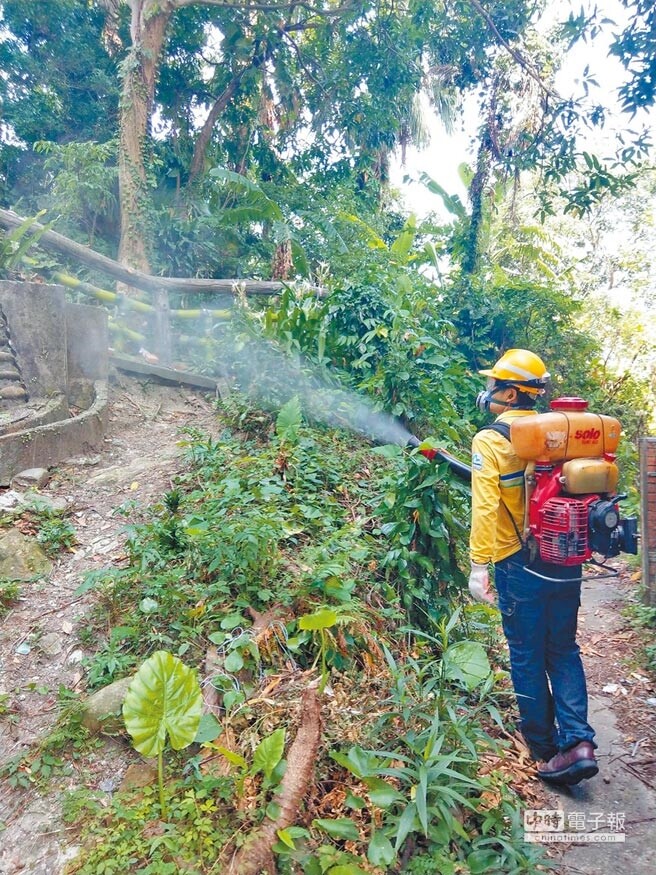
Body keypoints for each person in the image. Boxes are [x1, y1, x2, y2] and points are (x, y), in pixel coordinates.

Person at [468, 348, 598, 786]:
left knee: (525, 652)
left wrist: (478, 566)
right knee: (562, 648)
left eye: (492, 385)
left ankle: (544, 749)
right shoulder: (557, 434)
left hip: (516, 562)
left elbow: (486, 507)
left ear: (508, 392)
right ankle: (579, 743)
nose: (487, 392)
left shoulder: (490, 439)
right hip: (565, 556)